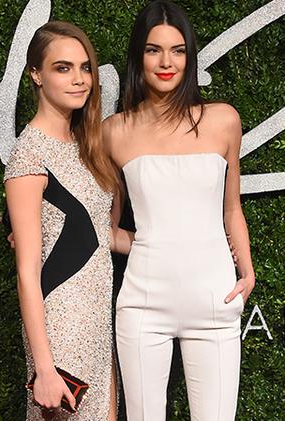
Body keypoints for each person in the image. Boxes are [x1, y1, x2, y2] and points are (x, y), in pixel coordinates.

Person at [103, 1, 255, 420]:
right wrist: (154, 245)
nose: (166, 62)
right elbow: (107, 226)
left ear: (190, 55)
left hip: (215, 300)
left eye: (177, 50)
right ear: (139, 56)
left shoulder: (223, 120)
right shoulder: (115, 131)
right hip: (142, 304)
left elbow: (231, 210)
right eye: (154, 50)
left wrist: (247, 273)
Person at [4, 21, 131, 420]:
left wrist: (181, 243)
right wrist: (43, 367)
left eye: (85, 67)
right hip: (59, 328)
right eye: (63, 68)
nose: (79, 79)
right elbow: (26, 272)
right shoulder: (29, 155)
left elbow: (103, 235)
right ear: (36, 75)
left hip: (96, 322)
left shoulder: (86, 147)